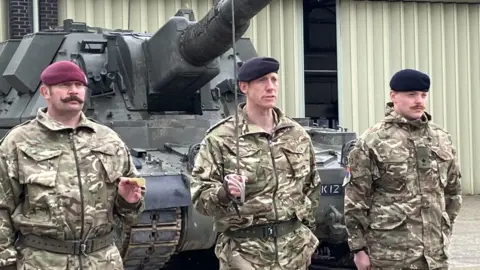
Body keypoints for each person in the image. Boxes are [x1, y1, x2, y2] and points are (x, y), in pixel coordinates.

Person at [0, 61, 145, 270]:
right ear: (45, 92)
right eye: (65, 85)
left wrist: (129, 200)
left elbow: (133, 204)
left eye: (79, 85)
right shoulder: (19, 141)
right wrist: (6, 263)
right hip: (44, 261)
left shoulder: (108, 139)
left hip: (103, 261)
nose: (73, 91)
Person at [190, 56, 321, 270]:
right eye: (262, 81)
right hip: (244, 256)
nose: (270, 87)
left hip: (293, 253)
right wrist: (224, 193)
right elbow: (200, 198)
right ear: (244, 87)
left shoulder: (296, 135)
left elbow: (312, 186)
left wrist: (304, 233)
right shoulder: (220, 138)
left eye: (274, 80)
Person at [343, 69, 463, 270]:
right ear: (393, 96)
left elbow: (452, 191)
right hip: (390, 255)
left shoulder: (441, 138)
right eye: (411, 94)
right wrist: (358, 249)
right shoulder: (373, 140)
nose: (419, 101)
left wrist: (443, 232)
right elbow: (355, 199)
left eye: (423, 95)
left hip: (433, 257)